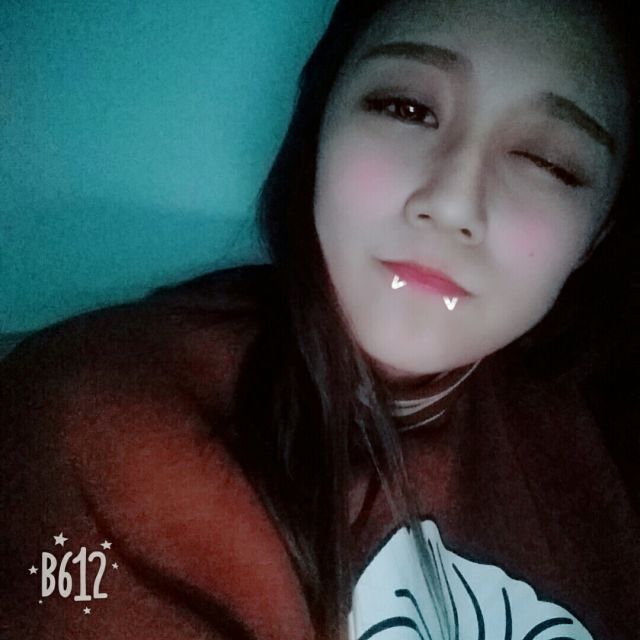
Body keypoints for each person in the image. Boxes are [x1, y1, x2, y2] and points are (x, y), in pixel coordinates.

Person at [1, 0, 638, 638]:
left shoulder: (600, 438)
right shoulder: (103, 424)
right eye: (406, 109)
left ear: (599, 233)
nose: (451, 204)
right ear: (320, 125)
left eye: (550, 162)